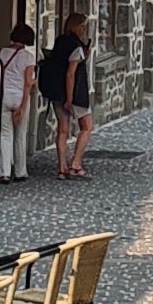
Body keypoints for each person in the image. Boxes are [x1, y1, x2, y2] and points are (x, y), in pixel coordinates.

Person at [40, 13, 94, 180]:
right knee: (86, 126)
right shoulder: (76, 47)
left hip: (56, 91)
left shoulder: (60, 41)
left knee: (62, 130)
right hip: (74, 94)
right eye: (82, 26)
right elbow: (70, 74)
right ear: (75, 26)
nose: (84, 30)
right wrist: (69, 99)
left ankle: (61, 167)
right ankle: (75, 164)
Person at [0, 19, 38, 182]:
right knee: (20, 135)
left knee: (5, 135)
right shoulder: (28, 57)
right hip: (20, 97)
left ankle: (5, 172)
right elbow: (28, 82)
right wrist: (22, 106)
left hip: (4, 97)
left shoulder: (0, 53)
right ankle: (20, 171)